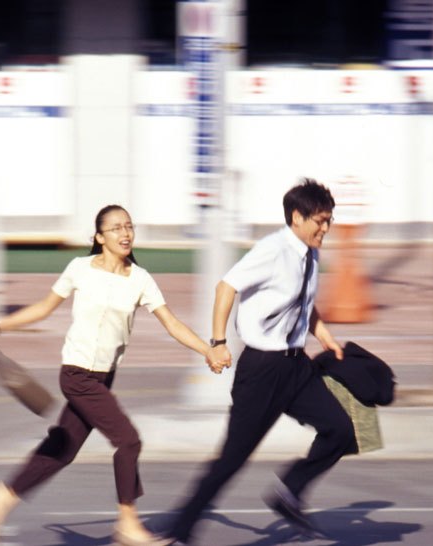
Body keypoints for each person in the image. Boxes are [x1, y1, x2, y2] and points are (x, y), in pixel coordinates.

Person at [0, 204, 218, 546]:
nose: (125, 233)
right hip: (77, 374)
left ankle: (2, 495)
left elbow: (171, 323)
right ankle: (127, 523)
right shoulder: (80, 268)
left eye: (129, 226)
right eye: (116, 228)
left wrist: (207, 350)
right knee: (128, 441)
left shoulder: (140, 279)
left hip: (103, 377)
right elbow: (42, 308)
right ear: (100, 237)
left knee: (64, 448)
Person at [159, 178, 356, 544]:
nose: (326, 228)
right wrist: (218, 342)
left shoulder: (310, 253)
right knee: (232, 459)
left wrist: (324, 335)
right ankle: (179, 531)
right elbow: (226, 286)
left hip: (296, 367)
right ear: (297, 217)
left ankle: (289, 492)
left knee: (341, 430)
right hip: (262, 370)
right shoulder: (272, 250)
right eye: (320, 221)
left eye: (329, 220)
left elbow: (302, 301)